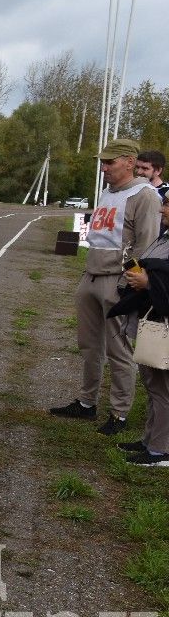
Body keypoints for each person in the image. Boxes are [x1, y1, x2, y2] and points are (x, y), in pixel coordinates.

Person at [50, 138, 162, 434]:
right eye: (103, 162)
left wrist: (129, 284)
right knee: (89, 345)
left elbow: (147, 244)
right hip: (91, 275)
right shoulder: (107, 191)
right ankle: (87, 403)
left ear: (128, 161)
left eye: (110, 162)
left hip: (117, 280)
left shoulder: (145, 195)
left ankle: (119, 413)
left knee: (118, 349)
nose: (104, 168)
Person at [109, 191, 169, 465]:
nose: (162, 210)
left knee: (163, 389)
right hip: (153, 321)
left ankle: (161, 450)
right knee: (153, 385)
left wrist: (149, 283)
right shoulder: (164, 236)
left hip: (163, 327)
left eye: (168, 205)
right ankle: (150, 440)